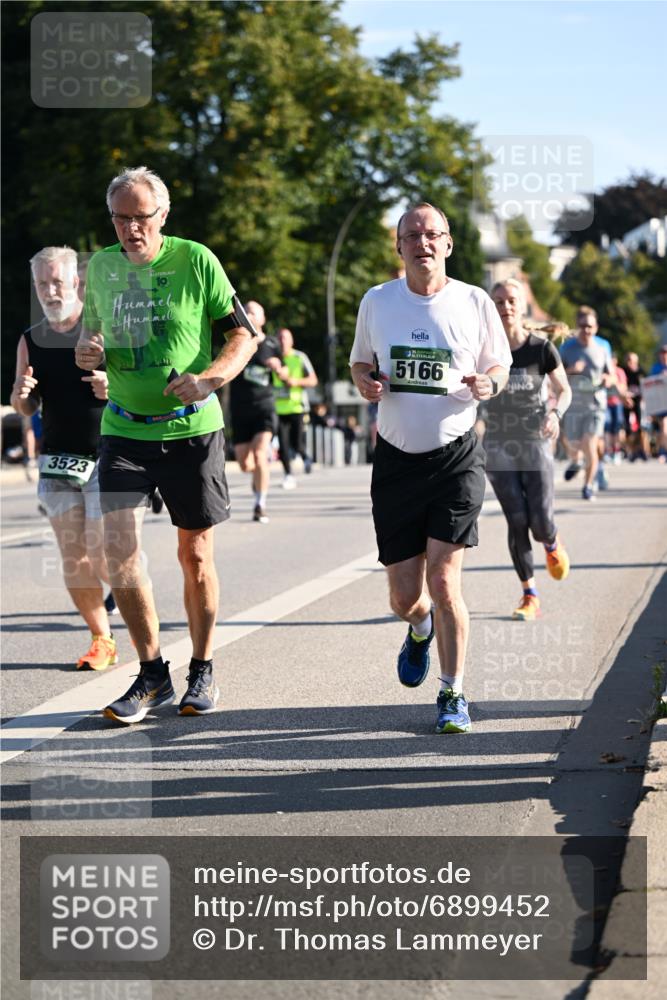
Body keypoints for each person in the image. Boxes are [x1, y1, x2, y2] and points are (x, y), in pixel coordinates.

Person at [76, 166, 258, 724]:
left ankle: (202, 668)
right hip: (124, 429)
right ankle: (152, 672)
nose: (131, 228)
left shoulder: (195, 260)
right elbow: (94, 334)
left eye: (141, 217)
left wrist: (209, 379)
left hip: (190, 430)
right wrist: (89, 350)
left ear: (164, 214)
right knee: (119, 551)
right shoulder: (102, 267)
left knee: (195, 554)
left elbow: (243, 333)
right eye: (120, 218)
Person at [350, 202, 511, 734]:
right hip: (396, 461)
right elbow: (360, 361)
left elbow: (499, 363)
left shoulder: (474, 300)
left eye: (432, 234)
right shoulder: (377, 301)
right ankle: (419, 627)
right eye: (412, 235)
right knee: (405, 597)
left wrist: (489, 382)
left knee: (444, 581)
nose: (423, 242)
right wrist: (364, 381)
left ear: (448, 243)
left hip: (455, 457)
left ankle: (453, 693)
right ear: (399, 246)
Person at [11, 246, 117, 670]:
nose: (50, 291)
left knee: (102, 552)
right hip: (58, 460)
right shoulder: (30, 338)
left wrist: (112, 386)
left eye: (57, 281)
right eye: (42, 283)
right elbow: (25, 404)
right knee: (74, 557)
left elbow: (138, 387)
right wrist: (20, 397)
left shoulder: (102, 329)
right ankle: (102, 639)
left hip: (107, 454)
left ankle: (129, 597)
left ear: (76, 282)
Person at [484, 280, 572, 621]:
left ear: (522, 305)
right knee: (517, 519)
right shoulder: (485, 350)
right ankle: (529, 594)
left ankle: (551, 541)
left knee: (540, 522)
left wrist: (555, 414)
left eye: (511, 300)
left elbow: (564, 390)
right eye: (499, 301)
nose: (505, 306)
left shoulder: (541, 348)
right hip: (499, 442)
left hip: (534, 439)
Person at [229, 301, 283, 523]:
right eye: (246, 311)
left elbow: (282, 370)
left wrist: (278, 366)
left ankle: (260, 504)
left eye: (254, 312)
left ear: (263, 318)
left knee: (260, 454)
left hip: (264, 406)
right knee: (245, 464)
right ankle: (259, 476)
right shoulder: (235, 341)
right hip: (240, 408)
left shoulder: (271, 343)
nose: (249, 314)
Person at [560, 307, 613, 500]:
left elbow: (611, 375)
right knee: (573, 444)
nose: (586, 330)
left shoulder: (603, 347)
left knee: (589, 444)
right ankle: (576, 461)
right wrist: (571, 370)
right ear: (577, 326)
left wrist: (608, 379)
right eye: (582, 326)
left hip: (595, 405)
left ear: (596, 327)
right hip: (574, 404)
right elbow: (555, 375)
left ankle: (588, 485)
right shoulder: (566, 348)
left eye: (590, 326)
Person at [272, 327, 318, 488]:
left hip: (298, 407)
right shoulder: (273, 359)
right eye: (279, 338)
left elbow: (313, 380)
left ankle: (305, 457)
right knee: (283, 445)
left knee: (297, 443)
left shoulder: (299, 357)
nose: (282, 341)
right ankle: (288, 475)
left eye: (285, 338)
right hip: (278, 409)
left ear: (291, 341)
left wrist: (296, 382)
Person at [621, 352, 649, 461]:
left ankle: (643, 450)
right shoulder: (624, 371)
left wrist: (644, 399)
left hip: (639, 402)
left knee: (642, 427)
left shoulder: (641, 372)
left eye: (632, 360)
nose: (630, 363)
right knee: (627, 428)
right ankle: (630, 451)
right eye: (628, 360)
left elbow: (647, 386)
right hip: (627, 402)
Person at [649, 344, 667, 462]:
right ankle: (663, 451)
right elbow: (650, 384)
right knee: (662, 428)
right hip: (660, 403)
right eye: (662, 353)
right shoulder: (656, 368)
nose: (664, 355)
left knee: (665, 426)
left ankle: (663, 451)